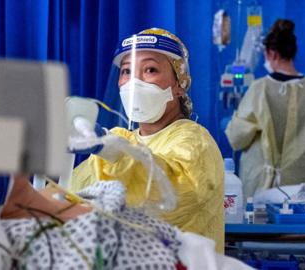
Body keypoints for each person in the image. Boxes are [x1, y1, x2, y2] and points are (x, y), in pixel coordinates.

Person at [70, 28, 225, 252]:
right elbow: (76, 192)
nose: (134, 82)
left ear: (179, 85)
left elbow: (171, 196)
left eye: (150, 70)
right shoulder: (121, 138)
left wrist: (112, 151)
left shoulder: (195, 141)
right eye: (126, 72)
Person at [225, 19, 305, 199]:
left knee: (259, 225)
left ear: (272, 53)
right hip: (301, 186)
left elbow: (237, 139)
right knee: (295, 225)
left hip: (261, 185)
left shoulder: (259, 89)